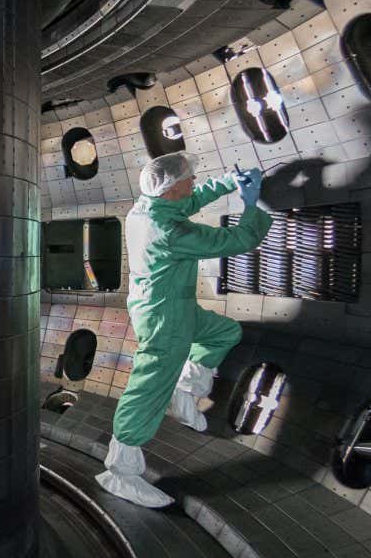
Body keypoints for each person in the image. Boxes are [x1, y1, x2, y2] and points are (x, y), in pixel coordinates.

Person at [96, 153, 272, 508]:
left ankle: (186, 387)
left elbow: (188, 200)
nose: (194, 181)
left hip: (167, 303)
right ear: (171, 185)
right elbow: (235, 241)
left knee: (223, 333)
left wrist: (228, 182)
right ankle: (121, 472)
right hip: (165, 318)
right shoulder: (171, 231)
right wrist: (252, 204)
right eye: (190, 177)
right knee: (146, 390)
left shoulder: (145, 208)